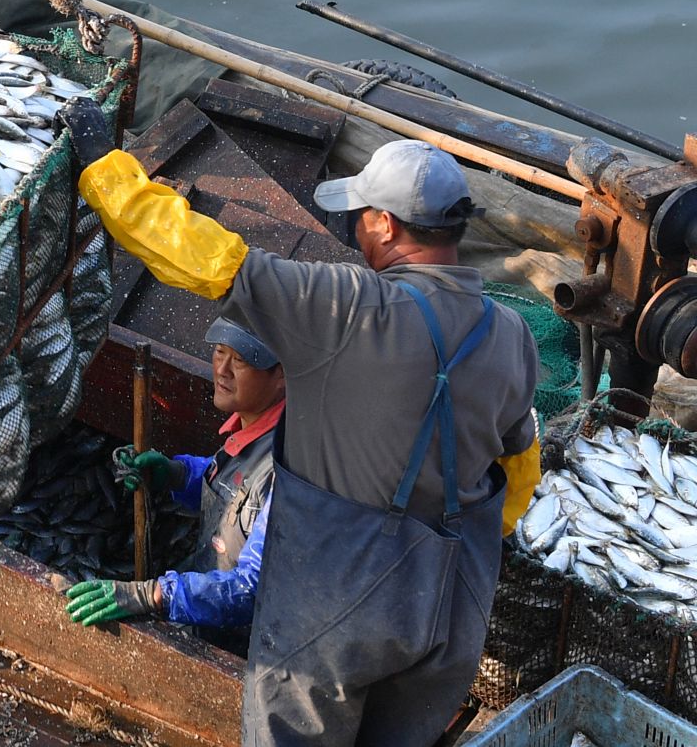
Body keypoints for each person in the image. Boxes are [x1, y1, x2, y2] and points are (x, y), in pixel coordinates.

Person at [60, 103, 542, 747]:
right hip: (453, 612)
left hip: (332, 615)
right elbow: (517, 473)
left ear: (385, 224)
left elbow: (207, 259)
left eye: (360, 220)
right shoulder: (510, 334)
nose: (357, 234)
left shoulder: (347, 303)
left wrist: (104, 170)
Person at [66, 320, 286, 652]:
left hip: (251, 650)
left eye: (240, 360)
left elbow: (251, 590)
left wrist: (153, 594)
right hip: (208, 613)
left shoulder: (287, 470)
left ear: (283, 373)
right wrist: (176, 474)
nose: (222, 370)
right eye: (218, 352)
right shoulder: (254, 422)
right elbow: (233, 490)